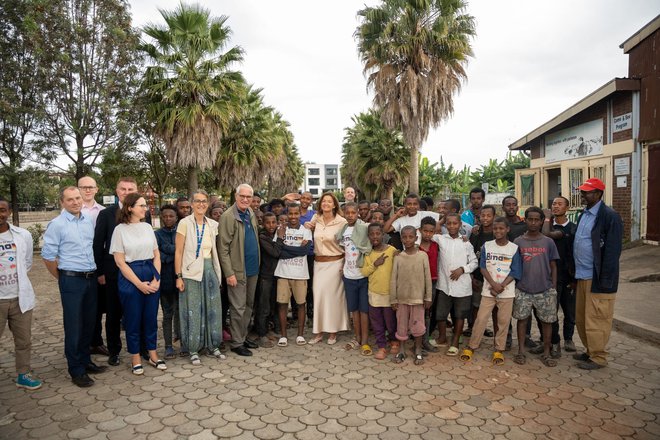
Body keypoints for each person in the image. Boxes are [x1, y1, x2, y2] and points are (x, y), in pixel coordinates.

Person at [43, 187, 106, 387]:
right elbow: (48, 256)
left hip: (90, 278)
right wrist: (62, 278)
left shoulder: (87, 219)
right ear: (62, 202)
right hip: (71, 280)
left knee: (89, 323)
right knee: (74, 326)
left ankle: (86, 361)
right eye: (70, 199)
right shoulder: (57, 225)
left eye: (77, 198)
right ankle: (76, 369)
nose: (75, 202)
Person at [94, 177, 151, 367]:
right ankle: (114, 351)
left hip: (139, 272)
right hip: (113, 272)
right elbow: (98, 244)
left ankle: (143, 348)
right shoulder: (106, 214)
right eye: (123, 189)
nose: (126, 192)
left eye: (131, 189)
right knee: (113, 313)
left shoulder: (144, 214)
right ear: (117, 191)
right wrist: (100, 272)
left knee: (139, 312)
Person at [110, 193, 166, 374]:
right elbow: (120, 262)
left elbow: (156, 255)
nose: (145, 208)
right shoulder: (119, 230)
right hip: (130, 277)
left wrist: (156, 279)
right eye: (141, 205)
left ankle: (152, 354)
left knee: (151, 318)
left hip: (150, 272)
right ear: (130, 208)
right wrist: (138, 284)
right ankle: (135, 356)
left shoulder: (148, 227)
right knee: (133, 319)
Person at [572, 178, 623, 370]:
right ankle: (589, 350)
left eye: (588, 192)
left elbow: (612, 251)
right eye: (583, 192)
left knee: (598, 318)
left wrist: (606, 279)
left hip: (598, 277)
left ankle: (599, 357)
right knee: (582, 317)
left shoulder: (610, 216)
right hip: (582, 274)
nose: (584, 195)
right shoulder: (583, 214)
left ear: (599, 194)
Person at [461, 217, 522, 365]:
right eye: (495, 229)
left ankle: (499, 350)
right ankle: (472, 346)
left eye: (501, 228)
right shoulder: (487, 246)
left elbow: (516, 271)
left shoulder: (513, 248)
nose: (498, 231)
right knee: (481, 319)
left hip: (506, 292)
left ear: (507, 229)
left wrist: (501, 286)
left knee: (503, 321)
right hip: (488, 290)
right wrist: (494, 285)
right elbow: (483, 267)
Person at [175, 190, 225, 364]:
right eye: (197, 201)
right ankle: (193, 348)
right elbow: (179, 251)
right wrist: (178, 276)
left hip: (209, 268)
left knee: (213, 309)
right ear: (192, 203)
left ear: (208, 204)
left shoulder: (212, 224)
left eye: (204, 201)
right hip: (190, 272)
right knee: (193, 309)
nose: (201, 204)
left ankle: (213, 345)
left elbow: (214, 249)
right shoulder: (184, 223)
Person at [0, 197, 42, 390]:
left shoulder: (22, 235)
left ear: (8, 212)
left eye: (2, 210)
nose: (0, 214)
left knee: (24, 340)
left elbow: (26, 263)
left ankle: (23, 374)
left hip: (19, 298)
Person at [513, 207, 560, 367]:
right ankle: (520, 351)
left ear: (541, 221)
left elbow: (553, 265)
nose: (533, 222)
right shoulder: (518, 242)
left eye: (536, 220)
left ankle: (547, 353)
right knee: (522, 321)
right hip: (523, 289)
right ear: (525, 220)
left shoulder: (548, 242)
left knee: (547, 322)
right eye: (530, 219)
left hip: (545, 290)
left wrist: (553, 286)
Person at [219, 184, 261, 356]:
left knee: (248, 306)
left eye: (248, 197)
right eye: (242, 196)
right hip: (237, 271)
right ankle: (237, 343)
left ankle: (242, 337)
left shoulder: (250, 213)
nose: (245, 199)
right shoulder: (228, 216)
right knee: (237, 308)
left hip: (252, 270)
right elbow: (223, 248)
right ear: (236, 196)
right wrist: (229, 273)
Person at [307, 192, 348, 345]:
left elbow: (347, 244)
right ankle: (318, 332)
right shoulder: (316, 218)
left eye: (329, 201)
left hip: (336, 263)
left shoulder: (342, 221)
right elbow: (309, 230)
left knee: (333, 299)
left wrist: (345, 264)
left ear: (335, 204)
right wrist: (307, 226)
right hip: (318, 264)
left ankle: (332, 332)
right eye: (324, 201)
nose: (326, 204)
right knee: (318, 296)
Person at [538, 197, 578, 357]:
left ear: (567, 207)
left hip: (568, 276)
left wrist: (575, 279)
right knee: (550, 312)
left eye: (560, 204)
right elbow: (544, 236)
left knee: (570, 311)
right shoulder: (547, 226)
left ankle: (569, 339)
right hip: (551, 277)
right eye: (553, 204)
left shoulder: (573, 228)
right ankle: (553, 341)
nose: (555, 206)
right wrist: (547, 220)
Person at [434, 214, 478, 356]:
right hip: (444, 285)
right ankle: (442, 338)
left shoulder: (466, 243)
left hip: (462, 286)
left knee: (460, 315)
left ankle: (455, 341)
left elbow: (474, 262)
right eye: (449, 223)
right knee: (440, 313)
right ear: (445, 225)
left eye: (455, 223)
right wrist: (440, 221)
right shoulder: (440, 239)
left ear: (460, 225)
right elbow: (426, 233)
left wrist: (462, 269)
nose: (452, 226)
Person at [390, 226, 433, 365]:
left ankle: (418, 350)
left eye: (410, 237)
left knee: (418, 326)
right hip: (402, 299)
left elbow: (428, 278)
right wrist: (393, 299)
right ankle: (401, 350)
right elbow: (393, 279)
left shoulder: (422, 256)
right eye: (404, 237)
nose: (407, 240)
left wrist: (428, 297)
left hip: (418, 299)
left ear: (416, 238)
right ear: (401, 238)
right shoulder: (398, 257)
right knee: (401, 325)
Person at [78, 176, 109, 357]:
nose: (87, 190)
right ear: (78, 189)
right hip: (79, 265)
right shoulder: (71, 211)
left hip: (99, 265)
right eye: (84, 187)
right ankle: (82, 345)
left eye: (91, 187)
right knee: (81, 309)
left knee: (97, 306)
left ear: (97, 189)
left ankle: (96, 342)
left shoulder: (103, 212)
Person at [274, 203, 312, 347]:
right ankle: (283, 336)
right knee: (282, 304)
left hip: (300, 274)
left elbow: (304, 252)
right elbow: (278, 253)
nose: (293, 216)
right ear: (287, 213)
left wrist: (285, 247)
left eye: (296, 213)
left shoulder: (306, 231)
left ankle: (300, 335)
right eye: (290, 213)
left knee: (301, 304)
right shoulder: (281, 230)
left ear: (300, 215)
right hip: (283, 273)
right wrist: (295, 248)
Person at [336, 203, 371, 355]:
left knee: (364, 310)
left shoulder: (364, 228)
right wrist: (343, 266)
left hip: (362, 275)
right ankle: (356, 338)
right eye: (347, 213)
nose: (350, 215)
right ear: (344, 213)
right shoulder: (343, 231)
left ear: (358, 213)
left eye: (353, 212)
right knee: (354, 310)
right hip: (349, 275)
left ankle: (365, 340)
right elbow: (345, 250)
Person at [361, 223, 398, 360]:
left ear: (383, 234)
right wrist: (375, 264)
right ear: (368, 236)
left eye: (378, 233)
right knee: (377, 322)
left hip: (389, 294)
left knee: (390, 321)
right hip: (374, 293)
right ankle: (381, 346)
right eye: (372, 234)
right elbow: (364, 272)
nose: (375, 236)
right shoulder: (368, 253)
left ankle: (394, 340)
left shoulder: (392, 250)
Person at [467, 205, 496, 338]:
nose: (485, 218)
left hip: (495, 277)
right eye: (482, 216)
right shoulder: (476, 233)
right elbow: (470, 254)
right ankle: (473, 329)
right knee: (476, 305)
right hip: (478, 276)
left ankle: (498, 334)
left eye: (488, 216)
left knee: (495, 308)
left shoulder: (498, 233)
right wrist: (472, 276)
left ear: (494, 217)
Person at [155, 204, 179, 359]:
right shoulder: (156, 234)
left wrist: (167, 250)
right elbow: (157, 255)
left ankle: (182, 341)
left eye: (171, 216)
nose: (168, 218)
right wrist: (174, 252)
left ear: (176, 217)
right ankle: (168, 346)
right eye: (165, 216)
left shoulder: (182, 232)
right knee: (167, 314)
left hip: (181, 278)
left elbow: (184, 253)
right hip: (164, 280)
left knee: (181, 312)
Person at [418, 216, 440, 354]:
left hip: (432, 282)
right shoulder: (415, 247)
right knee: (417, 312)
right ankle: (417, 341)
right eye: (425, 231)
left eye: (431, 231)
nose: (427, 234)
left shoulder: (436, 245)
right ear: (420, 230)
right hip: (418, 283)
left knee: (427, 311)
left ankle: (425, 340)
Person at [299, 192, 316, 325]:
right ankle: (295, 314)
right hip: (296, 253)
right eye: (303, 198)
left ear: (311, 201)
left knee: (310, 285)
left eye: (308, 199)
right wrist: (285, 198)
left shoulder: (314, 215)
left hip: (310, 253)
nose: (305, 200)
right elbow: (269, 208)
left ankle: (310, 313)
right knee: (297, 283)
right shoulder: (292, 211)